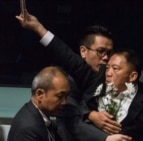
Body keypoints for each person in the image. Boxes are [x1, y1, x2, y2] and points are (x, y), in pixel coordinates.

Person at [16, 11, 131, 141]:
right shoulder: (70, 83)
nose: (106, 58)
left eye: (109, 53)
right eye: (100, 51)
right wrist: (38, 28)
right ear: (83, 51)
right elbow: (64, 53)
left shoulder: (113, 74)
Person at [85, 48, 143, 141]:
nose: (108, 73)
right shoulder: (99, 83)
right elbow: (80, 104)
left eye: (115, 68)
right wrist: (91, 114)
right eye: (107, 68)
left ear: (132, 76)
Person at [7, 66, 71, 141]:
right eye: (60, 96)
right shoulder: (28, 130)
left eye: (66, 96)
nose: (64, 102)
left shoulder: (42, 117)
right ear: (40, 94)